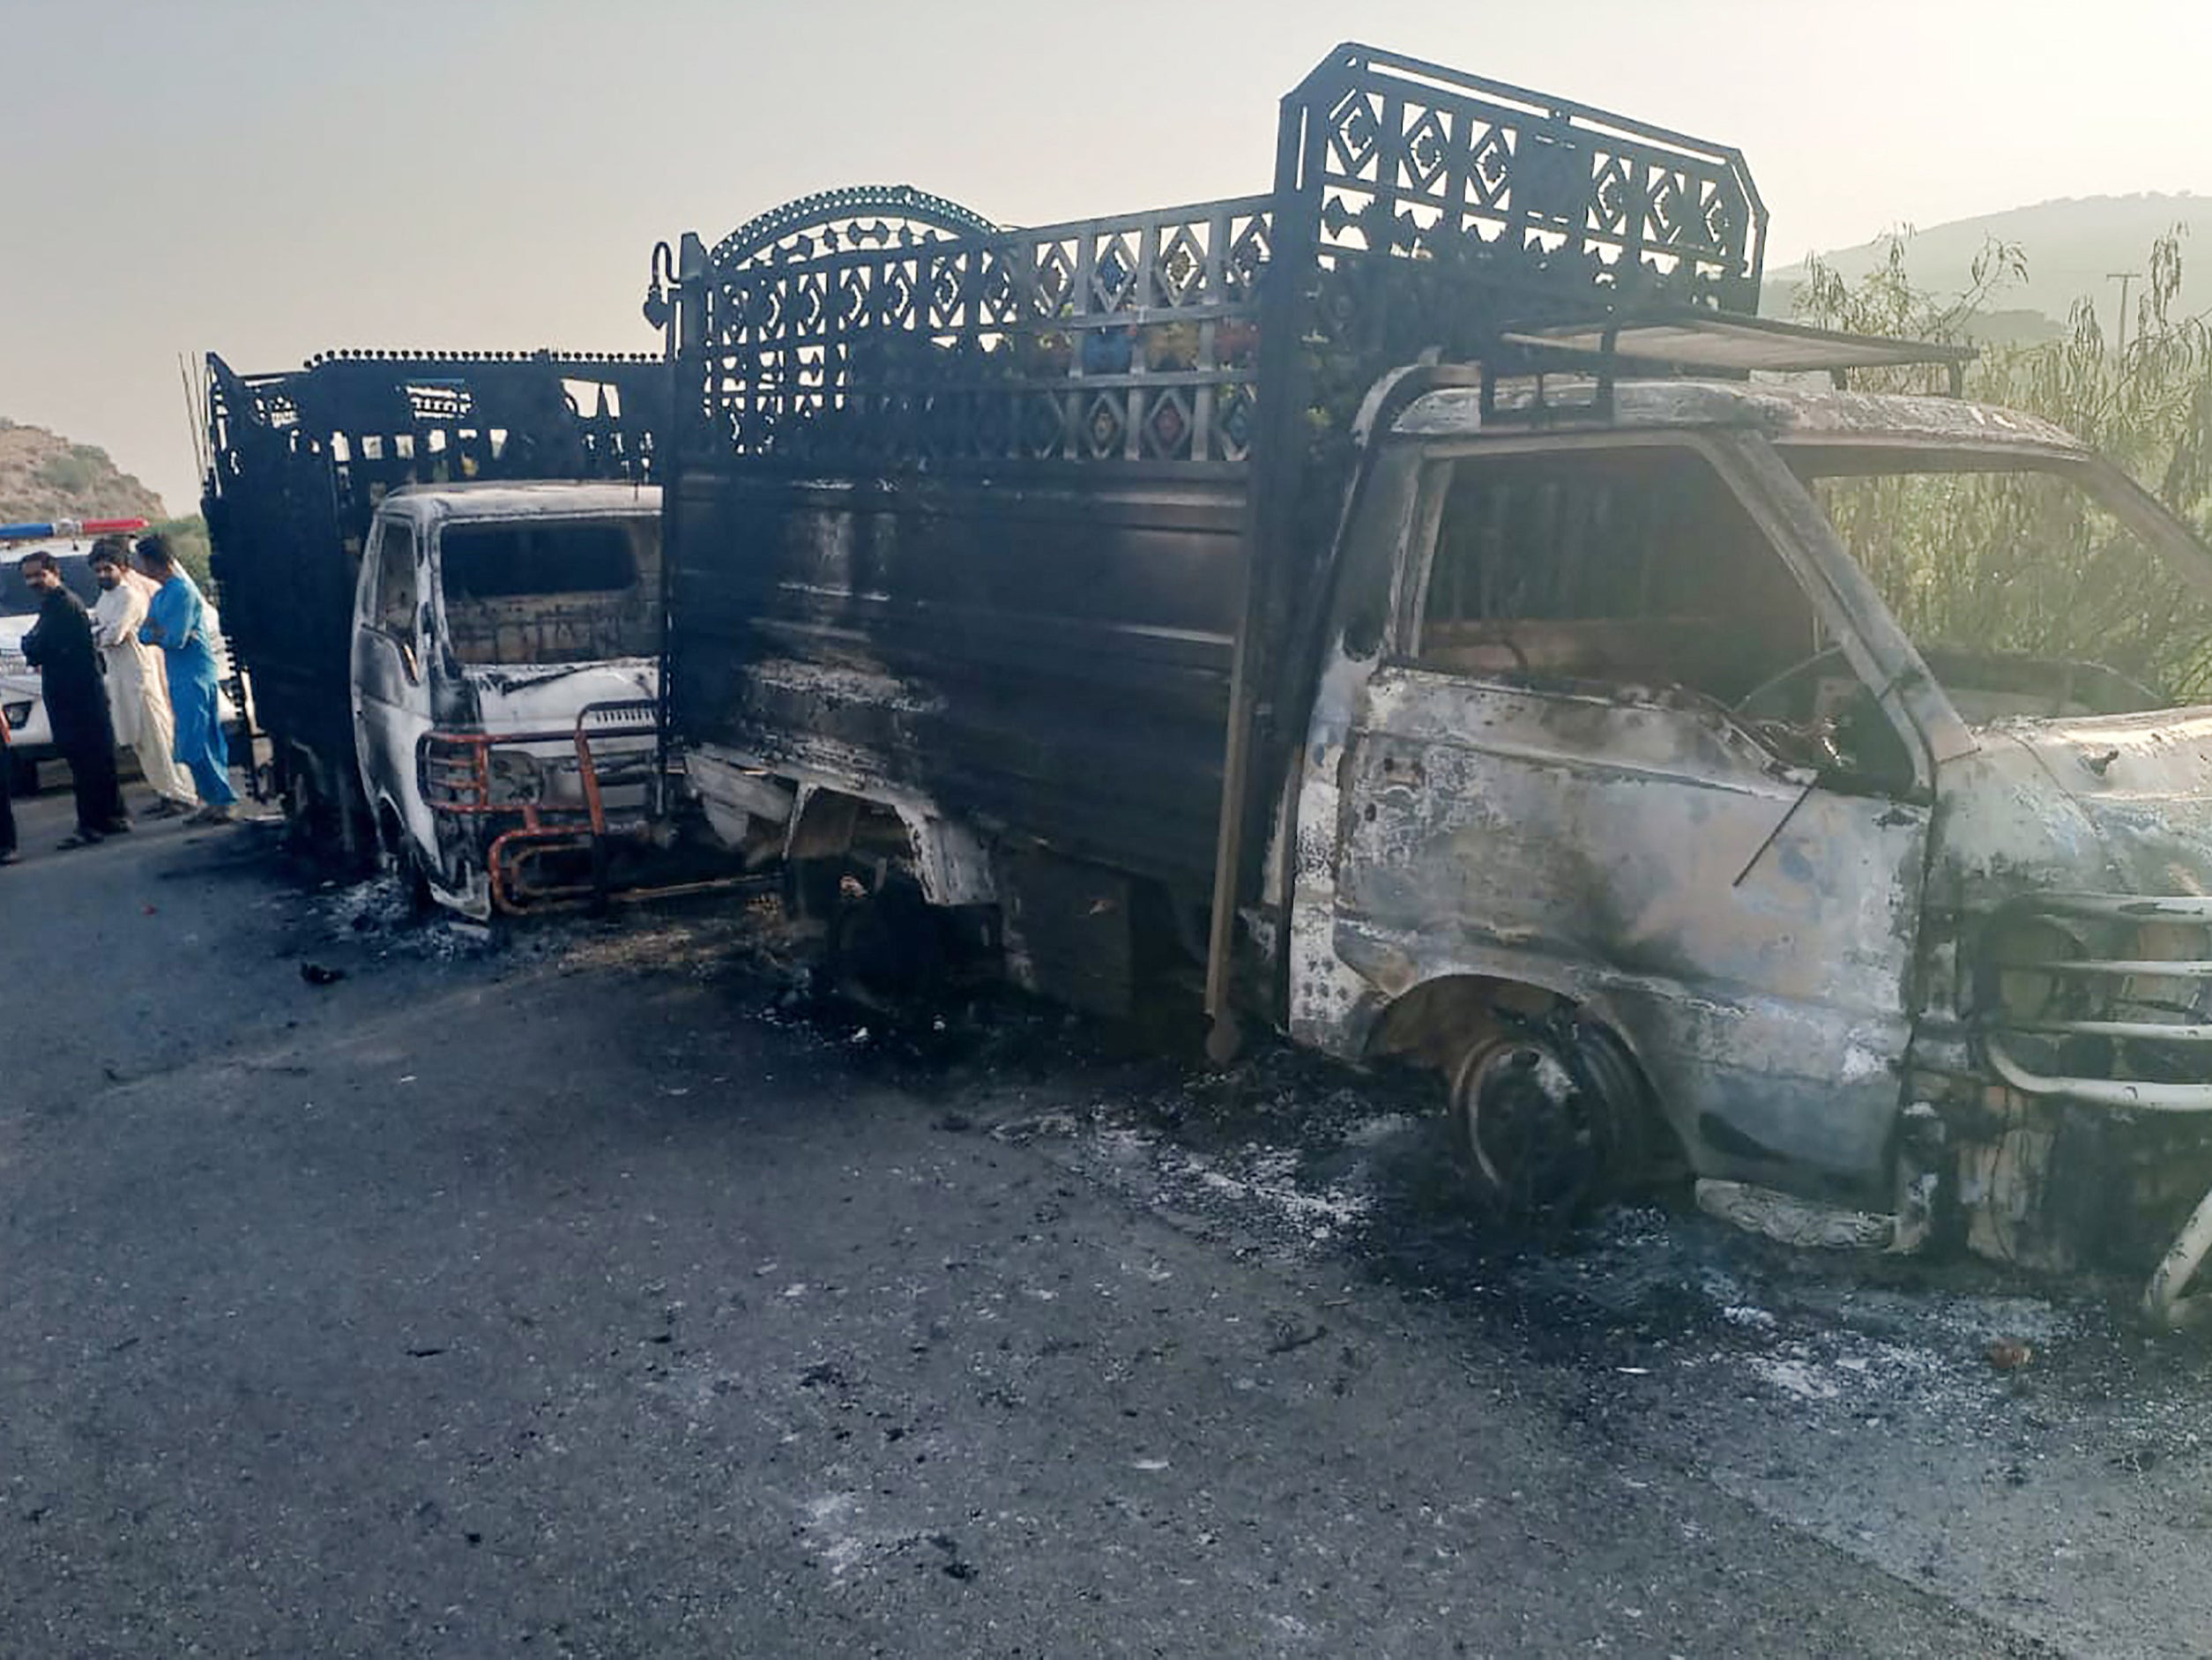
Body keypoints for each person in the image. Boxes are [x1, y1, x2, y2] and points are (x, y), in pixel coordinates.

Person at [19, 549, 130, 848]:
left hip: (76, 696)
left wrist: (30, 645)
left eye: (39, 575)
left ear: (55, 573)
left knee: (85, 761)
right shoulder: (52, 606)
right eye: (28, 577)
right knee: (95, 758)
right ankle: (111, 816)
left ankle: (91, 824)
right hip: (74, 694)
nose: (33, 582)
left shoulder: (63, 605)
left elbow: (36, 646)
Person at [135, 534, 239, 824]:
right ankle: (211, 799)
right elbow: (146, 634)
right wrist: (160, 633)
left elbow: (174, 638)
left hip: (195, 674)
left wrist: (160, 633)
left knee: (201, 738)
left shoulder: (183, 593)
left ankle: (224, 798)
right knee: (190, 740)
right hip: (178, 674)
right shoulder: (161, 595)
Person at [89, 539, 197, 817]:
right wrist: (101, 634)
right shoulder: (104, 599)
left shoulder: (130, 597)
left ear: (123, 568)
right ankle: (163, 792)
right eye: (98, 570)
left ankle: (182, 794)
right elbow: (104, 634)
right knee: (139, 739)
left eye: (107, 569)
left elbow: (114, 635)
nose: (102, 575)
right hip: (119, 675)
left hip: (141, 675)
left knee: (159, 736)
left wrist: (100, 635)